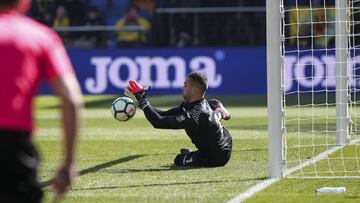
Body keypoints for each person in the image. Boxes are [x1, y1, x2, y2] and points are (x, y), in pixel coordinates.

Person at [0, 0, 83, 202]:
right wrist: (68, 162)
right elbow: (71, 99)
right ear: (24, 3)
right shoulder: (40, 36)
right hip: (13, 148)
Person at [125, 72, 232, 167]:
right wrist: (142, 103)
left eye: (185, 85)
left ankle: (220, 112)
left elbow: (158, 122)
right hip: (223, 140)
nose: (183, 87)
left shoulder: (195, 114)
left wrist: (143, 101)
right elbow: (163, 114)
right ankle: (220, 111)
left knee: (178, 160)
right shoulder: (190, 104)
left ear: (194, 90)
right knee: (212, 109)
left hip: (217, 157)